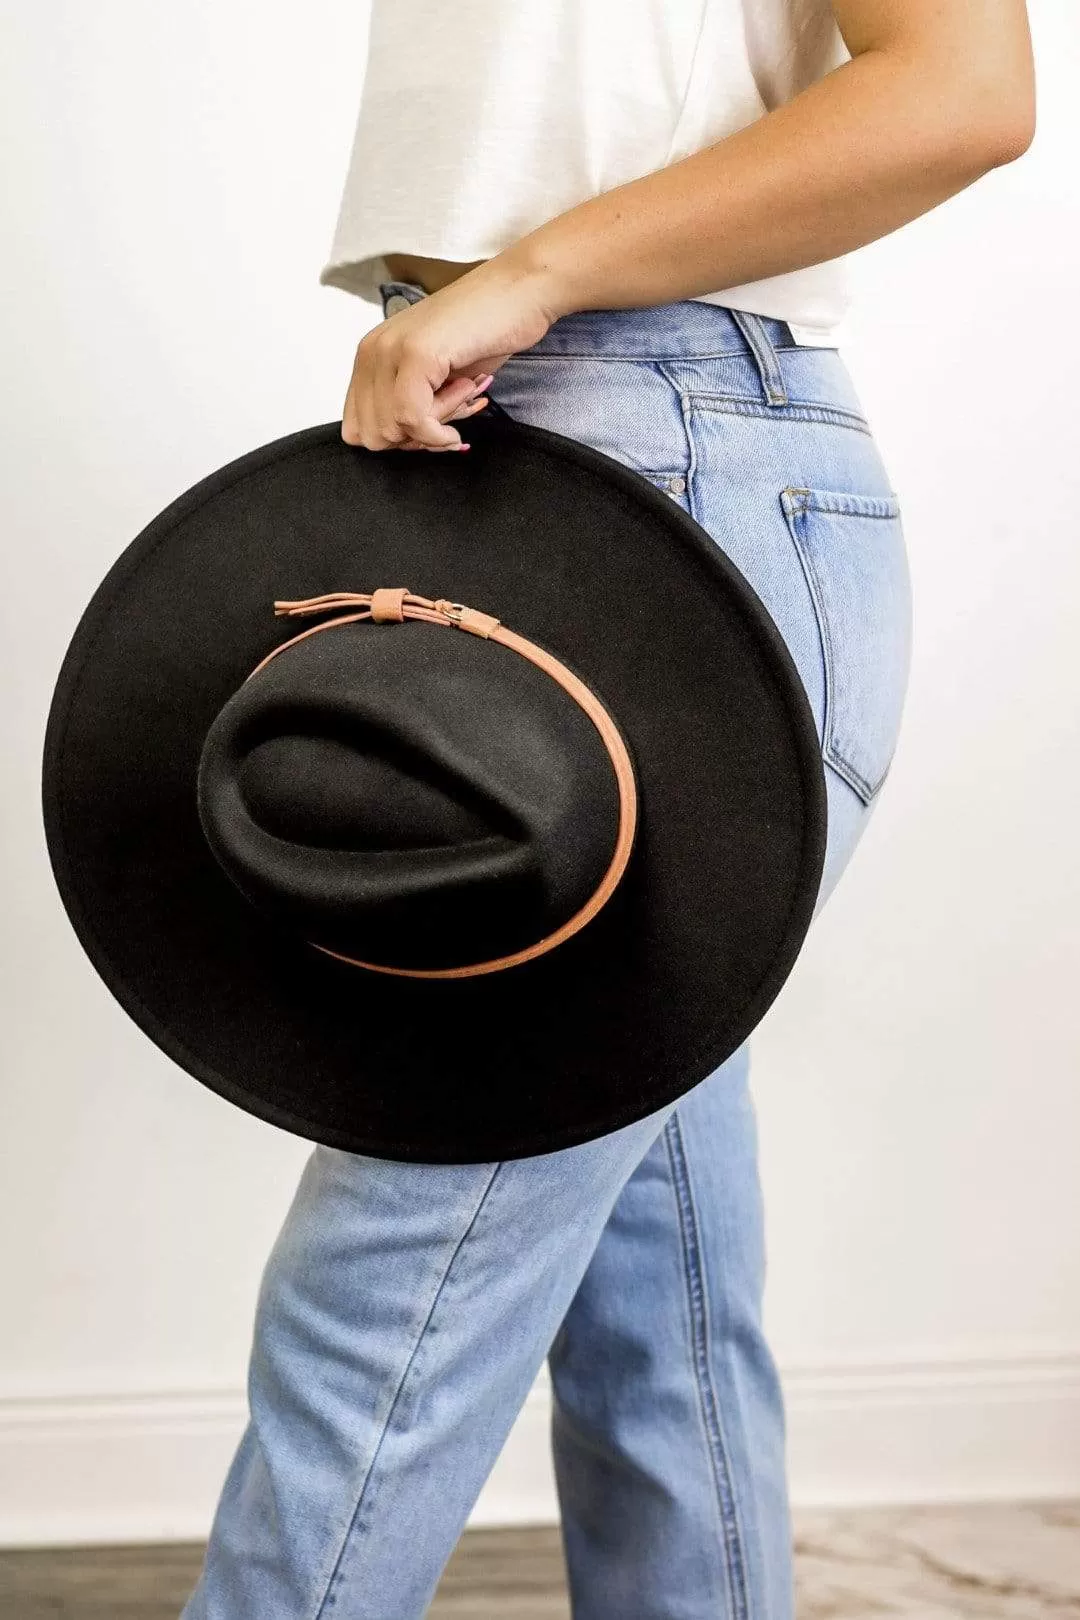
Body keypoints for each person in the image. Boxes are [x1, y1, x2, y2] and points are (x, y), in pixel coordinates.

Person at [181, 2, 1035, 1615]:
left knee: (393, 1272)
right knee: (658, 1289)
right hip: (511, 449)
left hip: (665, 452)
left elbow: (969, 88)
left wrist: (537, 273)